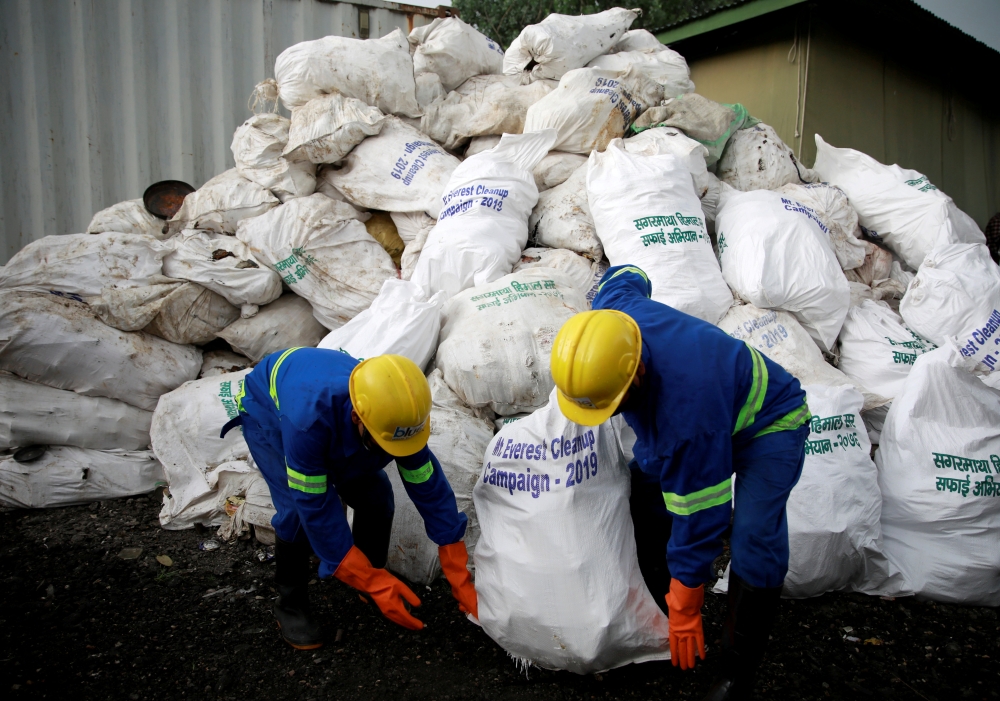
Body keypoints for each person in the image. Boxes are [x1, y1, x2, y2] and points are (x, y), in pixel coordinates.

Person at [549, 265, 810, 700]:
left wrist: (687, 600)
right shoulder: (614, 314)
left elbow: (702, 515)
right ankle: (649, 596)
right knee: (644, 490)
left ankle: (736, 673)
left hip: (769, 422)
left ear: (637, 376)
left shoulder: (686, 418)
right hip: (697, 411)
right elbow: (628, 273)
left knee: (754, 537)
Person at [220, 348, 477, 649]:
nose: (395, 453)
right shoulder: (308, 422)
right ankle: (290, 605)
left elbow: (425, 480)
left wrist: (454, 556)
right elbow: (314, 505)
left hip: (334, 417)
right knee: (296, 512)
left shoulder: (398, 416)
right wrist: (353, 567)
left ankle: (370, 575)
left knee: (377, 495)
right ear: (358, 416)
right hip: (269, 413)